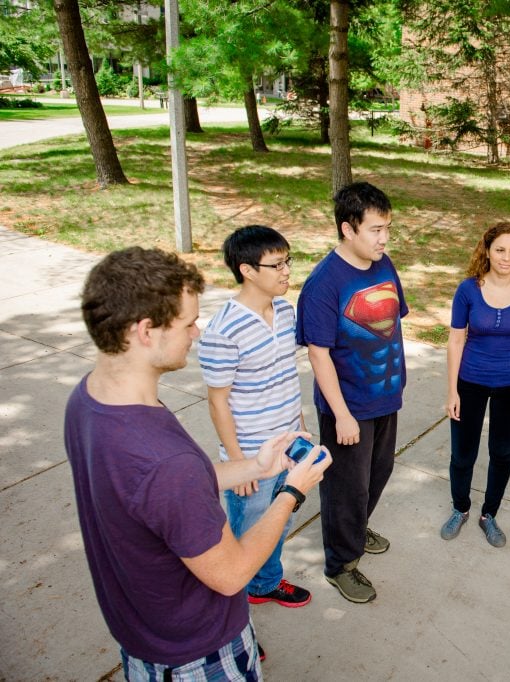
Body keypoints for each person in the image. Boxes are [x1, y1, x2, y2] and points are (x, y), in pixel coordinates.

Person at [64, 247, 331, 680]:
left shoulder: (90, 399)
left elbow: (155, 493)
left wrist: (255, 467)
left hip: (143, 632)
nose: (197, 333)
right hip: (197, 653)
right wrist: (292, 490)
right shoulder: (164, 462)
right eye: (188, 323)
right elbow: (231, 575)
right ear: (147, 331)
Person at [295, 181, 408, 604]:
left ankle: (356, 529)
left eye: (388, 228)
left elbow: (394, 322)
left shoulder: (383, 264)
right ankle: (341, 563)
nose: (384, 238)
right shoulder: (324, 284)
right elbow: (319, 355)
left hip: (385, 398)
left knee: (378, 476)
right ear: (348, 229)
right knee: (347, 488)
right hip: (348, 408)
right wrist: (341, 414)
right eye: (376, 229)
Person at [198, 226, 311, 609]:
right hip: (250, 453)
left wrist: (300, 425)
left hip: (289, 443)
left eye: (287, 261)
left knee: (278, 521)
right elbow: (218, 402)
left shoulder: (284, 310)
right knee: (245, 537)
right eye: (276, 264)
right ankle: (234, 618)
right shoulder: (223, 330)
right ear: (247, 270)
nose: (286, 271)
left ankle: (264, 583)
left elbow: (285, 374)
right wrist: (239, 462)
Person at [441, 221, 510, 547]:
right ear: (487, 250)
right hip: (470, 381)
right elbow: (456, 340)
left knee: (502, 453)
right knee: (463, 454)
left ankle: (489, 515)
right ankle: (461, 508)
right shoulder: (468, 289)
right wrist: (452, 390)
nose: (506, 257)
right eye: (500, 249)